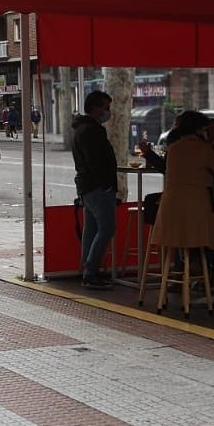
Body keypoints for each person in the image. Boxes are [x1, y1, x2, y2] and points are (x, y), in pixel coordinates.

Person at [149, 110, 214, 259]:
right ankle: (208, 270)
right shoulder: (203, 148)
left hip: (170, 210)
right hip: (198, 210)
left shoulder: (173, 148)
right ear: (199, 129)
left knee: (183, 239)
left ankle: (182, 270)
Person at [71, 90, 118, 289]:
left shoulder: (80, 128)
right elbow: (96, 161)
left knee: (91, 228)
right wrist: (106, 184)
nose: (108, 112)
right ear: (96, 108)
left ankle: (88, 270)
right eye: (105, 107)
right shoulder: (92, 130)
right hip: (97, 186)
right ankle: (91, 271)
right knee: (107, 228)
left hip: (86, 186)